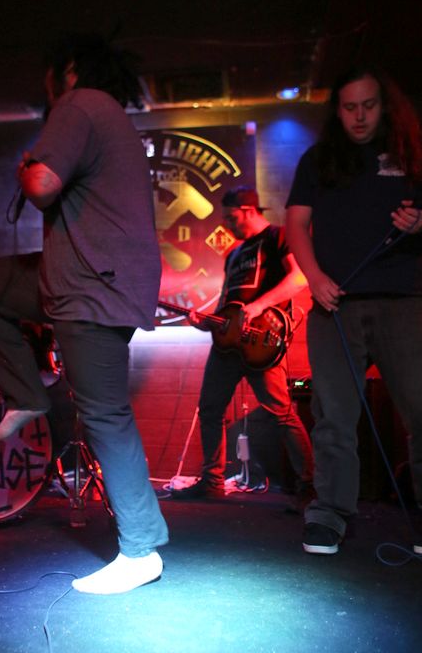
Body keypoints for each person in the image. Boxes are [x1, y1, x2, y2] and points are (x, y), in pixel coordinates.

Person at [0, 32, 169, 594]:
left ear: (69, 70)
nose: (46, 89)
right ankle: (28, 395)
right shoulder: (107, 114)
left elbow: (43, 184)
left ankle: (140, 550)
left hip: (92, 283)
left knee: (105, 413)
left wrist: (28, 167)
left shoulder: (80, 103)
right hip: (79, 276)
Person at [286, 65, 422, 555]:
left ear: (384, 105)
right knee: (333, 416)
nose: (360, 116)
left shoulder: (411, 153)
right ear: (337, 110)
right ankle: (330, 514)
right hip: (335, 303)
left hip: (404, 301)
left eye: (368, 105)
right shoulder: (318, 159)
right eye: (349, 107)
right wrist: (315, 277)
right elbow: (296, 225)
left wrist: (419, 223)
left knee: (421, 410)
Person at [171, 186, 314, 504]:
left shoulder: (277, 236)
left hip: (262, 341)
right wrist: (206, 321)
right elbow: (227, 303)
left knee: (281, 412)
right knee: (210, 409)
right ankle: (212, 482)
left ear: (249, 210)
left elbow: (299, 278)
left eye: (231, 217)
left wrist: (259, 306)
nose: (227, 224)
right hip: (227, 345)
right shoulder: (234, 255)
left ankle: (309, 483)